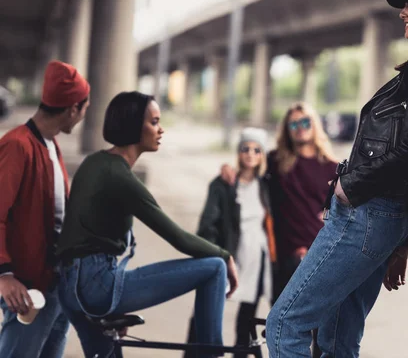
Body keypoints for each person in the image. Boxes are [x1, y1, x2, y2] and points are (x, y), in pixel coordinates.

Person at [266, 0, 408, 357]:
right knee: (338, 337)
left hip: (368, 211)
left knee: (285, 324)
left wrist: (348, 187)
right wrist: (405, 238)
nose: (403, 12)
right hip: (386, 217)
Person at [56, 91, 239, 358]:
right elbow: (179, 238)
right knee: (214, 267)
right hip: (96, 285)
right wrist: (225, 254)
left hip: (70, 289)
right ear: (133, 125)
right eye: (154, 122)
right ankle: (211, 354)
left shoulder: (95, 162)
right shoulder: (120, 177)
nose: (160, 129)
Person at [221, 102, 337, 357]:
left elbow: (343, 210)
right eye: (293, 124)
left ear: (314, 125)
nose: (300, 128)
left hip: (319, 256)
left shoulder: (332, 167)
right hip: (283, 257)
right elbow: (249, 171)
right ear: (287, 130)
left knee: (320, 327)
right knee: (281, 322)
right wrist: (229, 170)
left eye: (305, 122)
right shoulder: (276, 161)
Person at [0, 60, 90, 358]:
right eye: (84, 109)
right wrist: (4, 274)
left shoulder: (51, 145)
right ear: (73, 109)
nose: (82, 117)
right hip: (27, 287)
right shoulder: (17, 145)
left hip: (55, 284)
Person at [187, 127, 276, 358]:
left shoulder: (266, 184)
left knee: (246, 318)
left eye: (257, 150)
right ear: (238, 152)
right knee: (206, 312)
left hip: (257, 257)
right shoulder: (223, 184)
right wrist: (214, 254)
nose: (250, 154)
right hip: (230, 255)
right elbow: (207, 224)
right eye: (245, 148)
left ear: (262, 155)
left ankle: (240, 354)